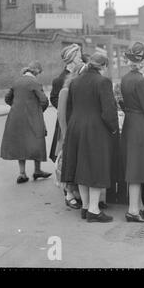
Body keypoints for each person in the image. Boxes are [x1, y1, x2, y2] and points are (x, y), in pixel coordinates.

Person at [61, 53, 119, 222]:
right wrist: (114, 128)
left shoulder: (75, 81)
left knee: (81, 167)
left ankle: (85, 207)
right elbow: (108, 112)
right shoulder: (103, 82)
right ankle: (94, 210)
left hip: (76, 128)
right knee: (95, 168)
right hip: (95, 130)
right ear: (103, 66)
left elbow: (70, 108)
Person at [120, 42, 144, 223]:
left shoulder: (125, 78)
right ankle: (133, 211)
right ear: (142, 62)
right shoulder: (142, 80)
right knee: (137, 169)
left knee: (134, 166)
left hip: (130, 123)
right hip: (141, 126)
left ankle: (140, 207)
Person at [1, 61, 52, 184]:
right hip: (32, 117)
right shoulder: (35, 82)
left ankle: (22, 173)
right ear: (36, 71)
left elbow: (7, 98)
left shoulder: (17, 81)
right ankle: (37, 170)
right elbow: (44, 101)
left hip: (16, 118)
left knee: (20, 143)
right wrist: (38, 111)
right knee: (37, 140)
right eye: (39, 72)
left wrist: (17, 107)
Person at [56, 51, 87, 209]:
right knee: (68, 165)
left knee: (76, 164)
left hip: (77, 133)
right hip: (68, 134)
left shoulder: (77, 91)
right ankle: (68, 194)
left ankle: (75, 193)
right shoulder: (65, 91)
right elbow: (61, 117)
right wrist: (67, 136)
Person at [49, 44, 83, 163]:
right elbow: (53, 98)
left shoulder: (81, 75)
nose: (81, 59)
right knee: (67, 155)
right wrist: (66, 107)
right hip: (67, 121)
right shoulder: (60, 80)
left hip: (80, 120)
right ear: (72, 57)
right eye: (79, 57)